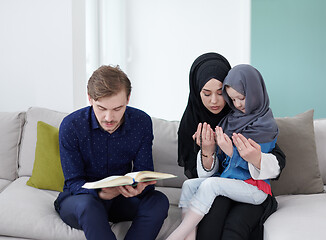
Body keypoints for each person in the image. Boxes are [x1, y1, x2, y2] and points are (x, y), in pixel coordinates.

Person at [177, 53, 286, 240]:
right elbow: (202, 181)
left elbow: (277, 159)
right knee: (211, 221)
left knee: (235, 227)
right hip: (220, 186)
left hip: (251, 188)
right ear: (196, 91)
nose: (214, 101)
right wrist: (208, 153)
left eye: (221, 93)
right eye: (206, 93)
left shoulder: (254, 117)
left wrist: (256, 159)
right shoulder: (195, 124)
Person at [54, 65, 169, 240]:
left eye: (117, 109)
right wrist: (100, 193)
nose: (109, 118)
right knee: (88, 205)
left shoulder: (141, 122)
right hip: (82, 200)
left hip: (122, 199)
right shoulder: (71, 126)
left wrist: (138, 189)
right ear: (90, 98)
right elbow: (73, 182)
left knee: (158, 201)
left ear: (128, 99)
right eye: (101, 108)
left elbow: (144, 173)